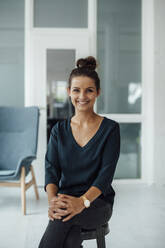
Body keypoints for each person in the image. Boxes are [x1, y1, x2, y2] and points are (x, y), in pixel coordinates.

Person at [38, 56, 120, 248]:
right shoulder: (59, 130)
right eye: (76, 90)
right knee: (70, 237)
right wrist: (52, 202)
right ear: (68, 92)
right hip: (66, 199)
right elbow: (51, 170)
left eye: (89, 90)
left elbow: (105, 176)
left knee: (62, 219)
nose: (82, 96)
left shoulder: (110, 129)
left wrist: (81, 202)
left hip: (97, 203)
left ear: (98, 92)